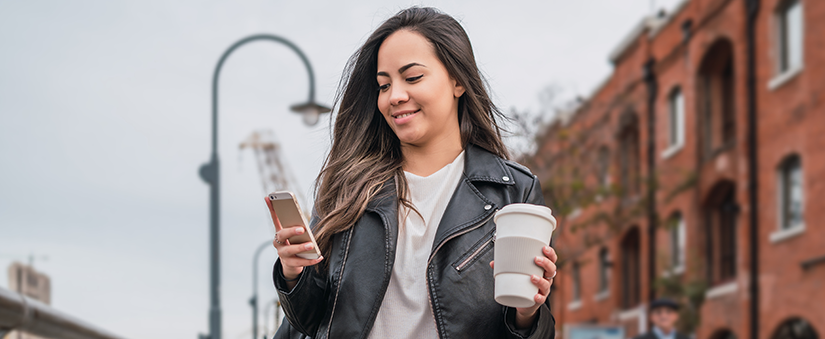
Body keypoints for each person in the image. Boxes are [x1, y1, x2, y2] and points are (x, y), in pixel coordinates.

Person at [270, 7, 557, 339]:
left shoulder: (513, 191)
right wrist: (293, 274)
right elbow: (310, 320)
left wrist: (527, 313)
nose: (395, 96)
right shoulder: (348, 186)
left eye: (413, 77)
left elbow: (533, 326)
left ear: (458, 81)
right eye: (383, 84)